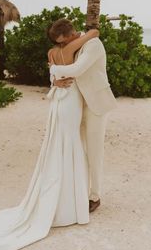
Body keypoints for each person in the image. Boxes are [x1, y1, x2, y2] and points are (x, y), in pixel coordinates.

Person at [0, 25, 98, 250]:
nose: (72, 38)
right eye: (69, 36)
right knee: (69, 142)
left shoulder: (51, 53)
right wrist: (90, 30)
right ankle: (69, 204)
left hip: (58, 100)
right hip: (69, 101)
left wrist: (55, 80)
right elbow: (93, 34)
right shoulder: (69, 50)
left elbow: (52, 74)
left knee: (59, 144)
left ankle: (69, 200)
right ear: (66, 37)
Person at [48, 19, 118, 213]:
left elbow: (77, 69)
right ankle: (79, 192)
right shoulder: (72, 46)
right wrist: (54, 81)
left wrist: (54, 70)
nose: (61, 45)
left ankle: (94, 196)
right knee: (78, 150)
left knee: (94, 151)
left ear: (71, 34)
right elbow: (59, 66)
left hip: (95, 103)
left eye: (63, 41)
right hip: (76, 105)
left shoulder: (93, 44)